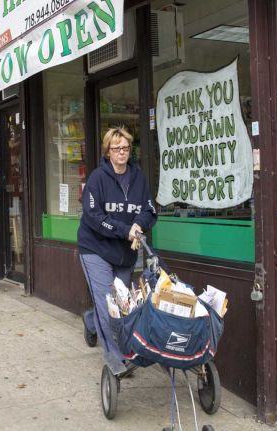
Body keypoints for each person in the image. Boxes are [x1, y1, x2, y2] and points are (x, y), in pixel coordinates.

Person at [78, 126, 157, 375]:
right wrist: (125, 230)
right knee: (107, 304)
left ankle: (91, 321)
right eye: (116, 148)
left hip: (124, 253)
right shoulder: (97, 179)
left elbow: (150, 210)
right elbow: (93, 216)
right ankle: (116, 358)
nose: (121, 152)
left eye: (125, 148)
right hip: (95, 249)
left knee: (122, 304)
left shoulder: (139, 177)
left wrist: (139, 223)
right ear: (108, 151)